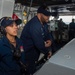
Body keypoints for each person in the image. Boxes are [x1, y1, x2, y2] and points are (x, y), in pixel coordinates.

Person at [20, 4, 52, 75]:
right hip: (28, 52)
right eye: (46, 15)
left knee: (34, 65)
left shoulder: (44, 23)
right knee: (29, 70)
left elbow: (47, 34)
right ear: (40, 14)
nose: (48, 17)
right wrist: (48, 52)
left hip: (35, 51)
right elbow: (39, 44)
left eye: (49, 15)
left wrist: (49, 40)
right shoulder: (34, 25)